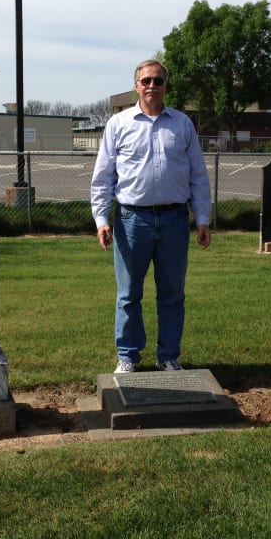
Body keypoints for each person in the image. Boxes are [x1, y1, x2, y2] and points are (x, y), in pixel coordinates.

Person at [90, 59, 212, 374]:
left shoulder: (182, 124)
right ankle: (128, 356)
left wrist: (202, 219)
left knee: (172, 293)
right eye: (146, 81)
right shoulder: (118, 125)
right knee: (129, 294)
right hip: (131, 221)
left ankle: (168, 356)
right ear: (136, 85)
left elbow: (198, 175)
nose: (152, 87)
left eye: (158, 81)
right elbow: (103, 177)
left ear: (165, 85)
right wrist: (102, 219)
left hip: (174, 220)